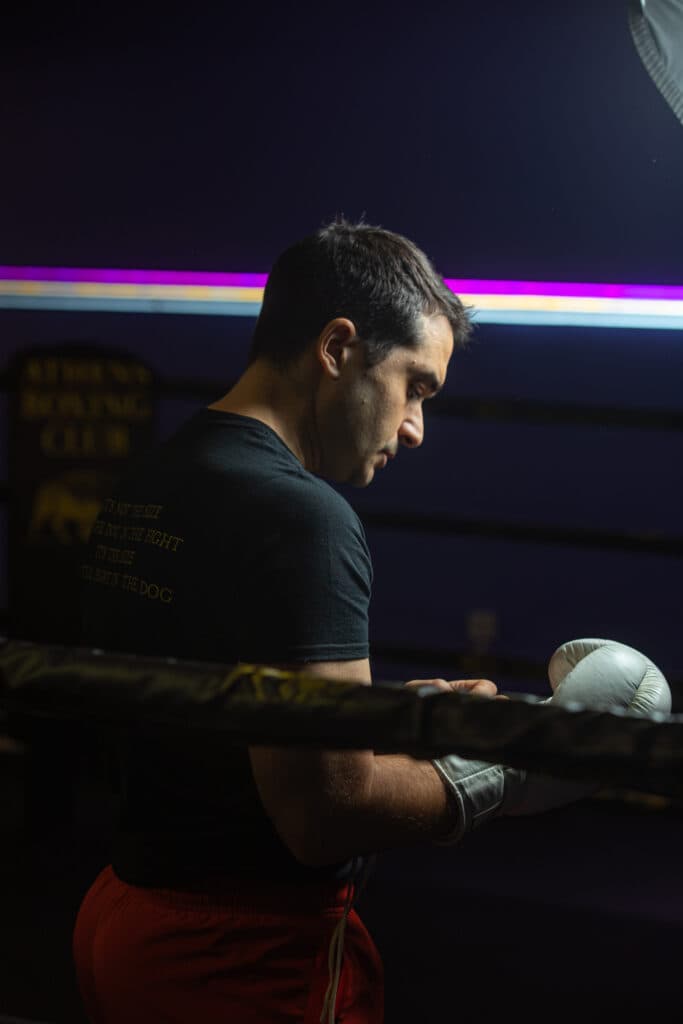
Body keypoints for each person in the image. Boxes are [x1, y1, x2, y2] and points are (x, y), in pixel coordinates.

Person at [72, 219, 670, 1024]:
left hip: (125, 912)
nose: (416, 428)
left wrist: (389, 722)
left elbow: (217, 729)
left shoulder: (155, 475)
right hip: (239, 957)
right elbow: (324, 813)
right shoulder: (300, 516)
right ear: (337, 348)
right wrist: (513, 765)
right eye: (415, 386)